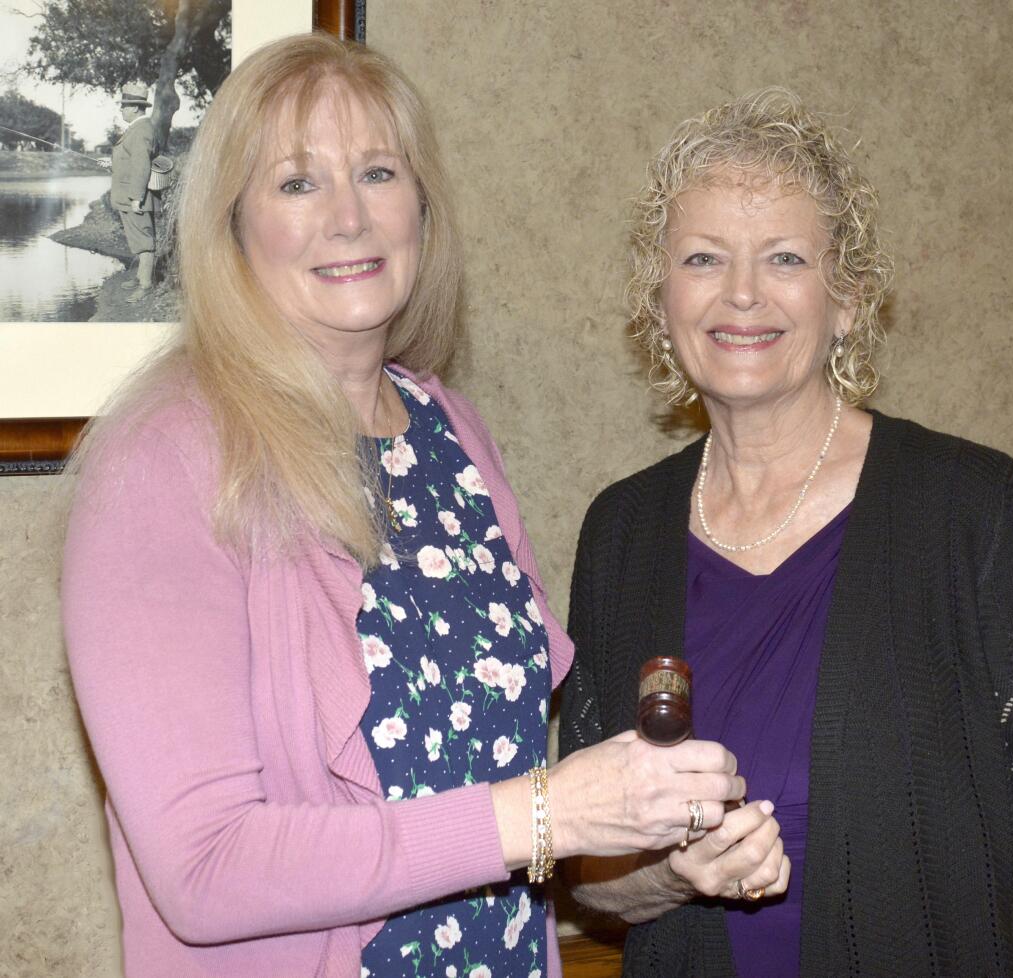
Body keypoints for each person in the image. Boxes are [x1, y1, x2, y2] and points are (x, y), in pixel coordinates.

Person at [61, 34, 747, 978]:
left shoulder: (449, 431)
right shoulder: (166, 458)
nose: (349, 218)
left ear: (421, 209)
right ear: (230, 227)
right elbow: (204, 868)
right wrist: (546, 813)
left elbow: (486, 792)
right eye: (298, 184)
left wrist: (651, 841)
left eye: (378, 172)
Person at [560, 88, 1013, 977]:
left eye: (786, 257)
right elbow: (592, 877)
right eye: (703, 258)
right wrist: (675, 877)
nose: (743, 293)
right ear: (661, 297)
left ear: (847, 300)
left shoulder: (972, 509)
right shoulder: (620, 532)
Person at [110, 82, 157, 302]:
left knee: (143, 241)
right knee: (137, 238)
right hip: (129, 197)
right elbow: (130, 160)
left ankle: (146, 286)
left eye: (124, 106)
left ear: (135, 108)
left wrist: (137, 198)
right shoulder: (137, 128)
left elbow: (142, 166)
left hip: (135, 198)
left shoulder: (141, 130)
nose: (121, 110)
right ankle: (140, 278)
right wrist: (109, 163)